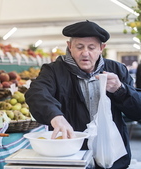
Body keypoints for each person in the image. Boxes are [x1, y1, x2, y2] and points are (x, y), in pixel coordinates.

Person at [25, 20, 141, 169]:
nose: (85, 53)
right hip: (72, 154)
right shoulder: (53, 71)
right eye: (79, 47)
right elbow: (37, 93)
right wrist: (55, 117)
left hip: (112, 155)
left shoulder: (117, 70)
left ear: (101, 48)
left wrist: (121, 90)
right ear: (69, 47)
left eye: (91, 48)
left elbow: (137, 110)